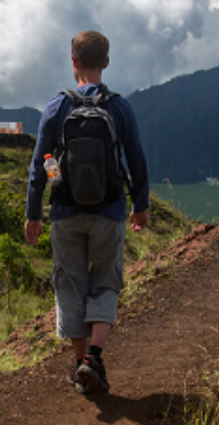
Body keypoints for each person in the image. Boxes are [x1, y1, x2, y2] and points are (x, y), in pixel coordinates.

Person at [24, 30, 150, 397]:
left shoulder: (56, 107)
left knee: (70, 284)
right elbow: (136, 160)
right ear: (106, 63)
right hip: (109, 210)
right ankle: (93, 358)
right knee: (106, 281)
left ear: (73, 61)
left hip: (65, 211)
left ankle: (81, 363)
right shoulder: (120, 107)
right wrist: (140, 204)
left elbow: (42, 162)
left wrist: (36, 210)